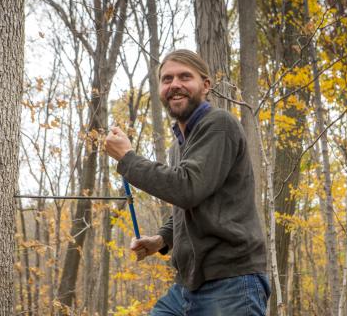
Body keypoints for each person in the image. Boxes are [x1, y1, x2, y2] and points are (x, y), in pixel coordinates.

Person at [105, 49, 269, 315]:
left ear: (205, 85)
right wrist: (162, 239)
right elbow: (193, 203)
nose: (175, 85)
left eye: (185, 77)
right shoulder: (178, 147)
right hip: (186, 286)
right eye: (167, 79)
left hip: (231, 283)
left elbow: (187, 188)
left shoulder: (219, 124)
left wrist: (127, 158)